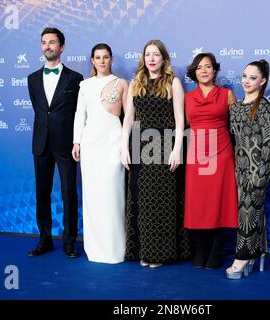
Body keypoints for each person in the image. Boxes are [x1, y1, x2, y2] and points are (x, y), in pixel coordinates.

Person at [120, 39, 190, 268]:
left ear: (163, 59)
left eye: (156, 55)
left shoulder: (173, 82)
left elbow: (180, 120)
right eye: (148, 54)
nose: (151, 59)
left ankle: (160, 254)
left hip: (165, 146)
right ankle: (144, 251)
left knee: (162, 202)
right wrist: (123, 147)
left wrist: (177, 149)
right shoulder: (135, 83)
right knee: (141, 200)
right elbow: (128, 118)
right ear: (143, 58)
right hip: (140, 146)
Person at [27, 27, 84, 258]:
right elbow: (40, 111)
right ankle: (45, 240)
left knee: (69, 192)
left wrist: (76, 140)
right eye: (44, 42)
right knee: (42, 192)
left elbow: (78, 113)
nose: (47, 46)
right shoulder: (31, 79)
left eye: (52, 42)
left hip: (66, 144)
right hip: (41, 144)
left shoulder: (76, 79)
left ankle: (69, 242)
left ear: (62, 46)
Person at [72, 43, 128, 263]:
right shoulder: (84, 85)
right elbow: (79, 115)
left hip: (113, 140)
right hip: (90, 142)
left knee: (113, 194)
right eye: (98, 57)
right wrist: (76, 142)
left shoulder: (121, 83)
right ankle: (95, 248)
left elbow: (128, 118)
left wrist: (125, 144)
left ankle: (116, 248)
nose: (102, 61)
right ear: (92, 61)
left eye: (106, 57)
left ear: (111, 59)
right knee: (93, 196)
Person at [184, 53, 238, 270]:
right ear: (194, 73)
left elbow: (236, 127)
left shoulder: (227, 95)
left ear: (214, 70)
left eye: (208, 67)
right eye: (199, 67)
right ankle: (199, 250)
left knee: (219, 202)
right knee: (197, 203)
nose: (204, 71)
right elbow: (185, 125)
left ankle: (216, 250)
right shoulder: (187, 98)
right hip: (196, 154)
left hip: (222, 153)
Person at [227, 59, 270, 279]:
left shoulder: (264, 106)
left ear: (262, 81)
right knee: (245, 214)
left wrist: (260, 175)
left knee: (249, 212)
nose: (246, 81)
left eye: (253, 78)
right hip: (240, 169)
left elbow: (268, 143)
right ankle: (255, 254)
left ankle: (242, 258)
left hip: (258, 170)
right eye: (244, 76)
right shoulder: (235, 108)